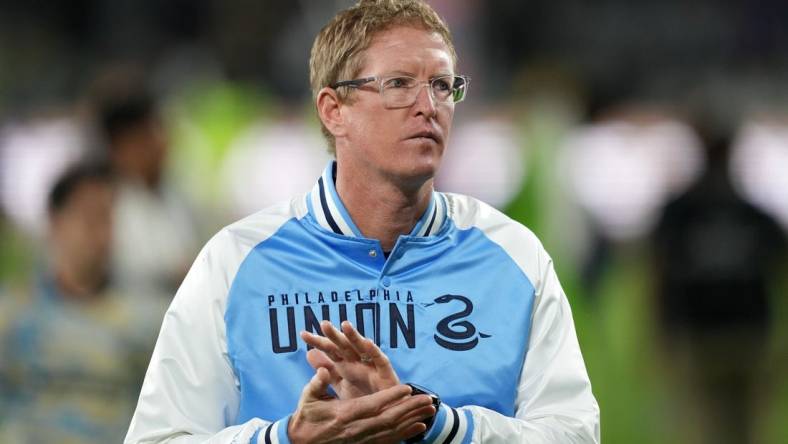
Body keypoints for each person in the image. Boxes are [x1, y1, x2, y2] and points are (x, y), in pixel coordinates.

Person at [125, 1, 599, 443]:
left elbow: (576, 433)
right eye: (398, 84)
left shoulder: (513, 256)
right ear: (334, 111)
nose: (428, 107)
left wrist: (443, 425)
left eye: (442, 85)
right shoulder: (235, 263)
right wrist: (284, 437)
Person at [0, 163, 161, 443]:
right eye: (88, 217)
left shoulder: (145, 319)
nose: (99, 233)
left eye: (107, 218)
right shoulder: (13, 314)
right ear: (54, 221)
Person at [100, 91, 199, 301]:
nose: (162, 144)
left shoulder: (176, 195)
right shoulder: (109, 206)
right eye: (149, 136)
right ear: (122, 148)